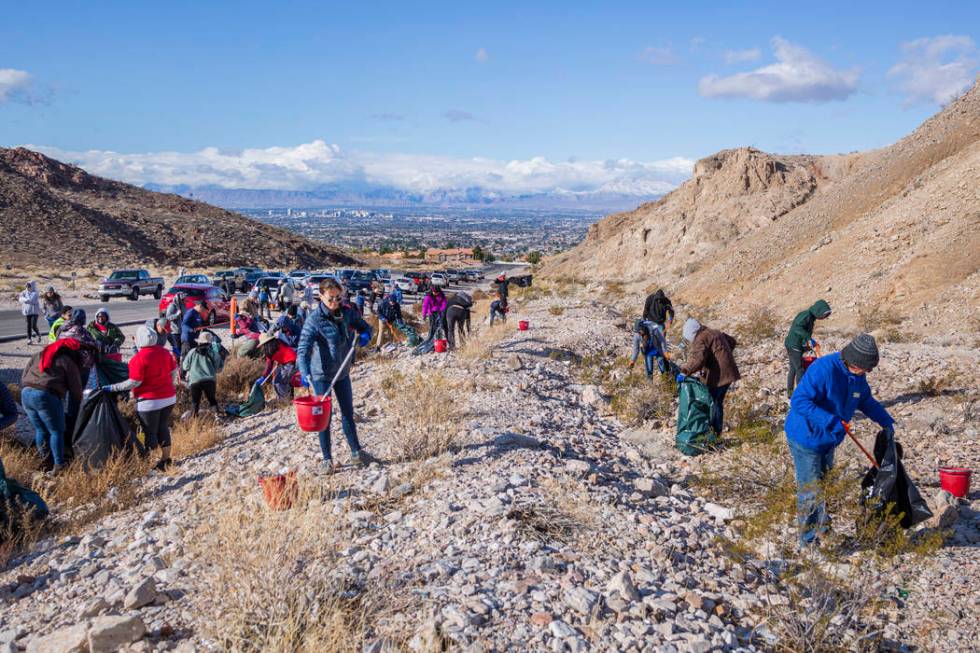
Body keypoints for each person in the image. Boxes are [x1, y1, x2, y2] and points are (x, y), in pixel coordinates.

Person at [785, 333, 894, 548]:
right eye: (866, 369)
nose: (867, 373)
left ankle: (823, 528)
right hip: (806, 437)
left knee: (825, 485)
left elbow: (865, 400)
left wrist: (886, 421)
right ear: (853, 362)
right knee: (811, 490)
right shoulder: (823, 369)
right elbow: (799, 400)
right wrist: (831, 421)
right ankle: (807, 541)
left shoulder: (858, 377)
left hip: (829, 439)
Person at [297, 278, 375, 472]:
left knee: (348, 413)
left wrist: (365, 335)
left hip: (342, 372)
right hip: (322, 376)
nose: (335, 302)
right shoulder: (314, 320)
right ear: (321, 296)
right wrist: (304, 373)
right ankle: (327, 460)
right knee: (325, 417)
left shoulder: (347, 313)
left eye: (338, 297)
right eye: (331, 298)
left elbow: (366, 327)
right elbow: (303, 350)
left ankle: (357, 453)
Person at [103, 326, 178, 471]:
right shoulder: (165, 352)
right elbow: (174, 371)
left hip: (149, 401)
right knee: (163, 427)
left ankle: (149, 463)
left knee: (149, 432)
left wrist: (112, 387)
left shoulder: (138, 358)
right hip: (169, 397)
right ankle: (165, 459)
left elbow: (134, 382)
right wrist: (169, 384)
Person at [21, 338, 85, 474]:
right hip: (45, 395)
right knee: (56, 431)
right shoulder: (67, 360)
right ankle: (59, 465)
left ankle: (45, 461)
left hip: (26, 393)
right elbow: (76, 389)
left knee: (40, 430)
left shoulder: (38, 354)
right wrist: (84, 404)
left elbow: (23, 376)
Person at [677, 318, 740, 435]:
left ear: (691, 333)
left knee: (715, 402)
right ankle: (714, 430)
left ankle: (715, 433)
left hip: (720, 376)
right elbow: (732, 341)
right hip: (729, 371)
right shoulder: (714, 332)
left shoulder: (700, 339)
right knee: (717, 401)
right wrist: (722, 355)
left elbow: (698, 359)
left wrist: (684, 372)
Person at [785, 299, 832, 397]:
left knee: (793, 368)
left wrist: (807, 345)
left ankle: (790, 393)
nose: (824, 317)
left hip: (794, 344)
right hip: (794, 345)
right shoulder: (806, 315)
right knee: (800, 369)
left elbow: (802, 332)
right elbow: (797, 328)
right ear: (818, 310)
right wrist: (809, 339)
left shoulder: (810, 317)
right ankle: (801, 393)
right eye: (823, 314)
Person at [181, 331, 224, 416]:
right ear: (210, 342)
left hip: (194, 380)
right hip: (210, 380)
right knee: (212, 400)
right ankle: (217, 416)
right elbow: (219, 369)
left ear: (199, 342)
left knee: (195, 403)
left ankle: (194, 421)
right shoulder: (214, 353)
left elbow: (185, 366)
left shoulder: (192, 352)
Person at [257, 330, 299, 399]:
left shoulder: (270, 351)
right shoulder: (279, 342)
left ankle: (284, 400)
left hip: (290, 364)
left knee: (278, 381)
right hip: (295, 360)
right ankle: (289, 398)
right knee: (286, 380)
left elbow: (269, 366)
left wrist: (264, 376)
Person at [165, 292, 186, 357]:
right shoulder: (172, 306)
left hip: (182, 331)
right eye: (183, 299)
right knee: (177, 350)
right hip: (175, 332)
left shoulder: (183, 305)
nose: (184, 300)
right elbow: (168, 317)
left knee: (183, 349)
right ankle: (177, 363)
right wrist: (176, 315)